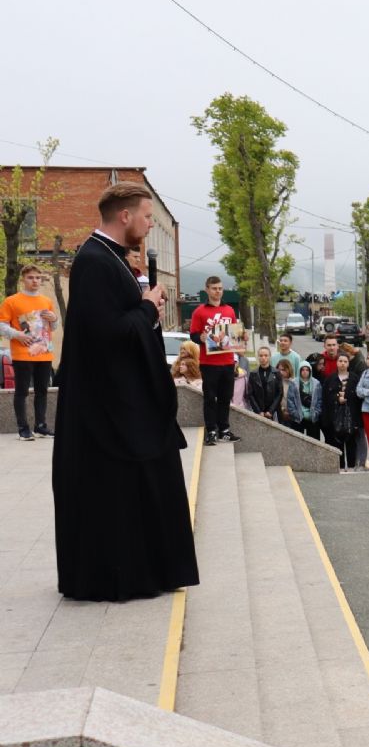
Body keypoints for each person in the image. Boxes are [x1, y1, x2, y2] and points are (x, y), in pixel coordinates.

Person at [51, 181, 197, 600]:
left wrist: (146, 305)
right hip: (110, 409)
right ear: (125, 215)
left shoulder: (109, 258)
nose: (150, 225)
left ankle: (151, 570)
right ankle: (124, 575)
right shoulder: (95, 261)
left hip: (125, 401)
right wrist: (147, 305)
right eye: (147, 217)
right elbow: (107, 335)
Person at [1, 264, 60, 440]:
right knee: (22, 391)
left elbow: (53, 327)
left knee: (42, 390)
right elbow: (1, 324)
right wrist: (17, 335)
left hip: (44, 352)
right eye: (30, 277)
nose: (35, 281)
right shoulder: (11, 301)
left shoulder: (46, 301)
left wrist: (54, 319)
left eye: (38, 277)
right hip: (22, 354)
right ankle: (23, 428)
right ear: (23, 280)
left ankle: (41, 427)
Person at [190, 276, 241, 446]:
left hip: (227, 361)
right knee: (210, 398)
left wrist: (241, 340)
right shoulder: (199, 311)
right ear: (207, 289)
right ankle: (211, 431)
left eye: (220, 288)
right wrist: (201, 338)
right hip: (209, 363)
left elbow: (234, 336)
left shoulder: (230, 310)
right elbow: (193, 335)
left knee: (226, 398)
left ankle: (224, 430)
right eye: (214, 288)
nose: (217, 291)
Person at [321, 353, 360, 469]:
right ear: (337, 363)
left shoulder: (354, 379)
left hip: (351, 418)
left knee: (351, 444)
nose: (342, 364)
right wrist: (337, 398)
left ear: (348, 364)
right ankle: (340, 468)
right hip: (334, 418)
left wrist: (358, 421)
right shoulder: (330, 379)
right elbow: (325, 398)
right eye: (340, 361)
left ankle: (352, 467)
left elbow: (358, 400)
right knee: (337, 445)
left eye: (345, 361)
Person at [245, 346, 282, 422]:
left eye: (266, 355)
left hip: (272, 412)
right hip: (259, 412)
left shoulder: (276, 373)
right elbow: (250, 394)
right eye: (261, 355)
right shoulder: (253, 374)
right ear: (258, 357)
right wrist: (258, 411)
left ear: (270, 356)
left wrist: (271, 411)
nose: (263, 358)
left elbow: (280, 393)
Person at [285, 362, 321, 438]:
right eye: (303, 370)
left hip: (312, 417)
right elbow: (290, 400)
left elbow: (319, 400)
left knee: (313, 441)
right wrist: (295, 414)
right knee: (297, 440)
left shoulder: (316, 383)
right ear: (299, 371)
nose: (305, 372)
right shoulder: (294, 383)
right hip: (298, 418)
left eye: (307, 370)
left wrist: (316, 413)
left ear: (310, 371)